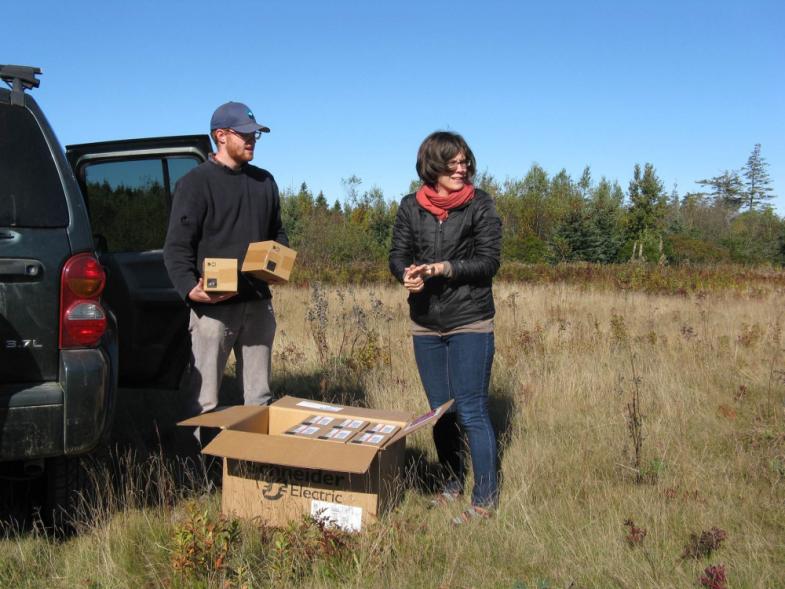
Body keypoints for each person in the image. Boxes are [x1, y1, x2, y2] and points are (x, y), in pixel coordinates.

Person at [389, 131, 502, 523]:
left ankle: (484, 500)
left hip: (470, 320)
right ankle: (452, 483)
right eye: (452, 163)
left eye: (464, 161)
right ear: (432, 167)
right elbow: (397, 255)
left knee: (470, 409)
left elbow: (489, 262)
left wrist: (443, 268)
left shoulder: (479, 205)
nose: (461, 168)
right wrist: (407, 275)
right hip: (425, 324)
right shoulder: (410, 207)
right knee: (440, 412)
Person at [164, 101, 288, 432]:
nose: (253, 140)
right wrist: (191, 291)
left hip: (258, 304)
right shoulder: (195, 183)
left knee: (260, 395)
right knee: (203, 400)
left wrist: (277, 265)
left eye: (256, 134)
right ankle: (195, 471)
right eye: (245, 134)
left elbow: (278, 235)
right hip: (213, 311)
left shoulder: (264, 182)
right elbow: (176, 248)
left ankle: (253, 467)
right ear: (221, 135)